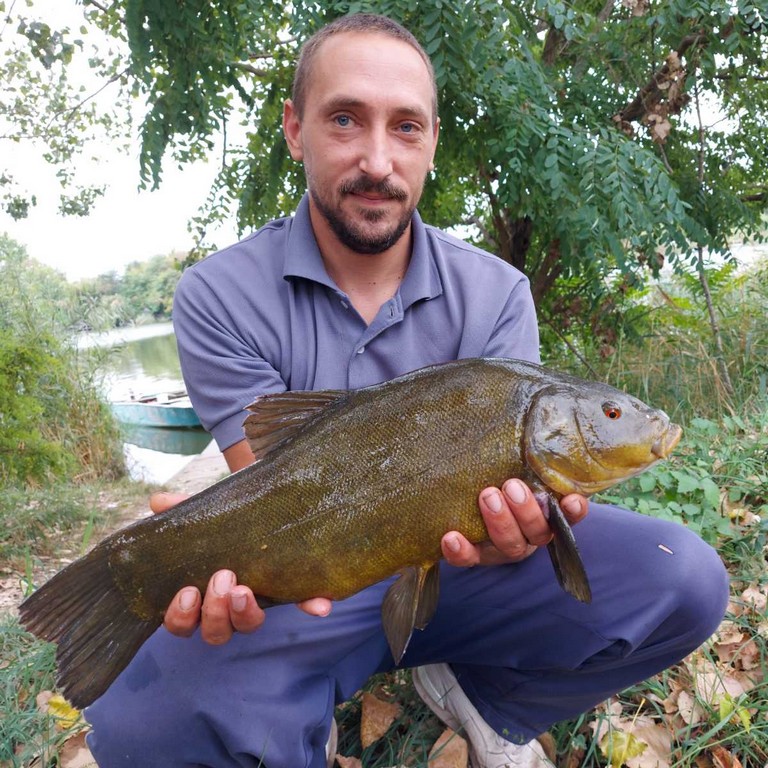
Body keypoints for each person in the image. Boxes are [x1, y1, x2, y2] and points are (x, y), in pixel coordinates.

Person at [85, 13, 729, 768]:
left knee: (684, 579)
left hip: (460, 575)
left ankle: (484, 695)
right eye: (345, 120)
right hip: (313, 570)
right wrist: (206, 559)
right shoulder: (216, 294)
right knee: (139, 727)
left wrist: (513, 535)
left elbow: (507, 521)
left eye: (406, 127)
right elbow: (269, 494)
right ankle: (294, 704)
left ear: (430, 142)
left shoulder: (497, 292)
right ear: (295, 129)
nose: (377, 159)